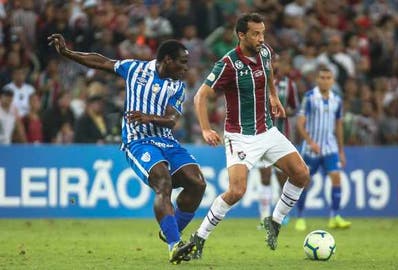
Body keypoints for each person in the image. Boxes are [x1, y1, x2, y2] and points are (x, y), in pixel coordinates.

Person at [47, 34, 206, 264]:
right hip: (137, 141)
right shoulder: (135, 69)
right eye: (182, 62)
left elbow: (172, 120)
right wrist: (68, 53)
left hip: (166, 140)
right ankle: (174, 245)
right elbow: (101, 61)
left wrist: (148, 117)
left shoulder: (177, 86)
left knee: (197, 183)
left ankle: (170, 231)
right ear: (167, 59)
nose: (185, 67)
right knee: (163, 182)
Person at [189, 13, 310, 259]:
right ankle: (198, 238)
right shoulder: (227, 64)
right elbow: (200, 96)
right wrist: (205, 128)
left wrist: (274, 96)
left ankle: (274, 221)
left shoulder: (264, 52)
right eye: (255, 34)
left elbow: (269, 73)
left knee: (301, 174)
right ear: (241, 35)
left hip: (267, 130)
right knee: (236, 191)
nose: (261, 38)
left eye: (262, 32)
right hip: (240, 136)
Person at [296, 66, 351, 230]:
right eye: (322, 77)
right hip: (311, 148)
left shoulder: (337, 100)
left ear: (333, 81)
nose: (325, 80)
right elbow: (300, 123)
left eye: (328, 78)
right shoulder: (310, 97)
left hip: (329, 147)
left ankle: (335, 216)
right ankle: (300, 217)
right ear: (317, 79)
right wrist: (310, 141)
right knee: (304, 182)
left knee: (336, 178)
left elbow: (339, 125)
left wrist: (341, 150)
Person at [257, 55, 299, 227]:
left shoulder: (289, 84)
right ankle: (264, 217)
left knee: (284, 178)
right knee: (265, 177)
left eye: (276, 62)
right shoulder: (258, 81)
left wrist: (282, 109)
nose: (273, 64)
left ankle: (279, 216)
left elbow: (295, 108)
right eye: (270, 61)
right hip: (260, 135)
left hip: (281, 136)